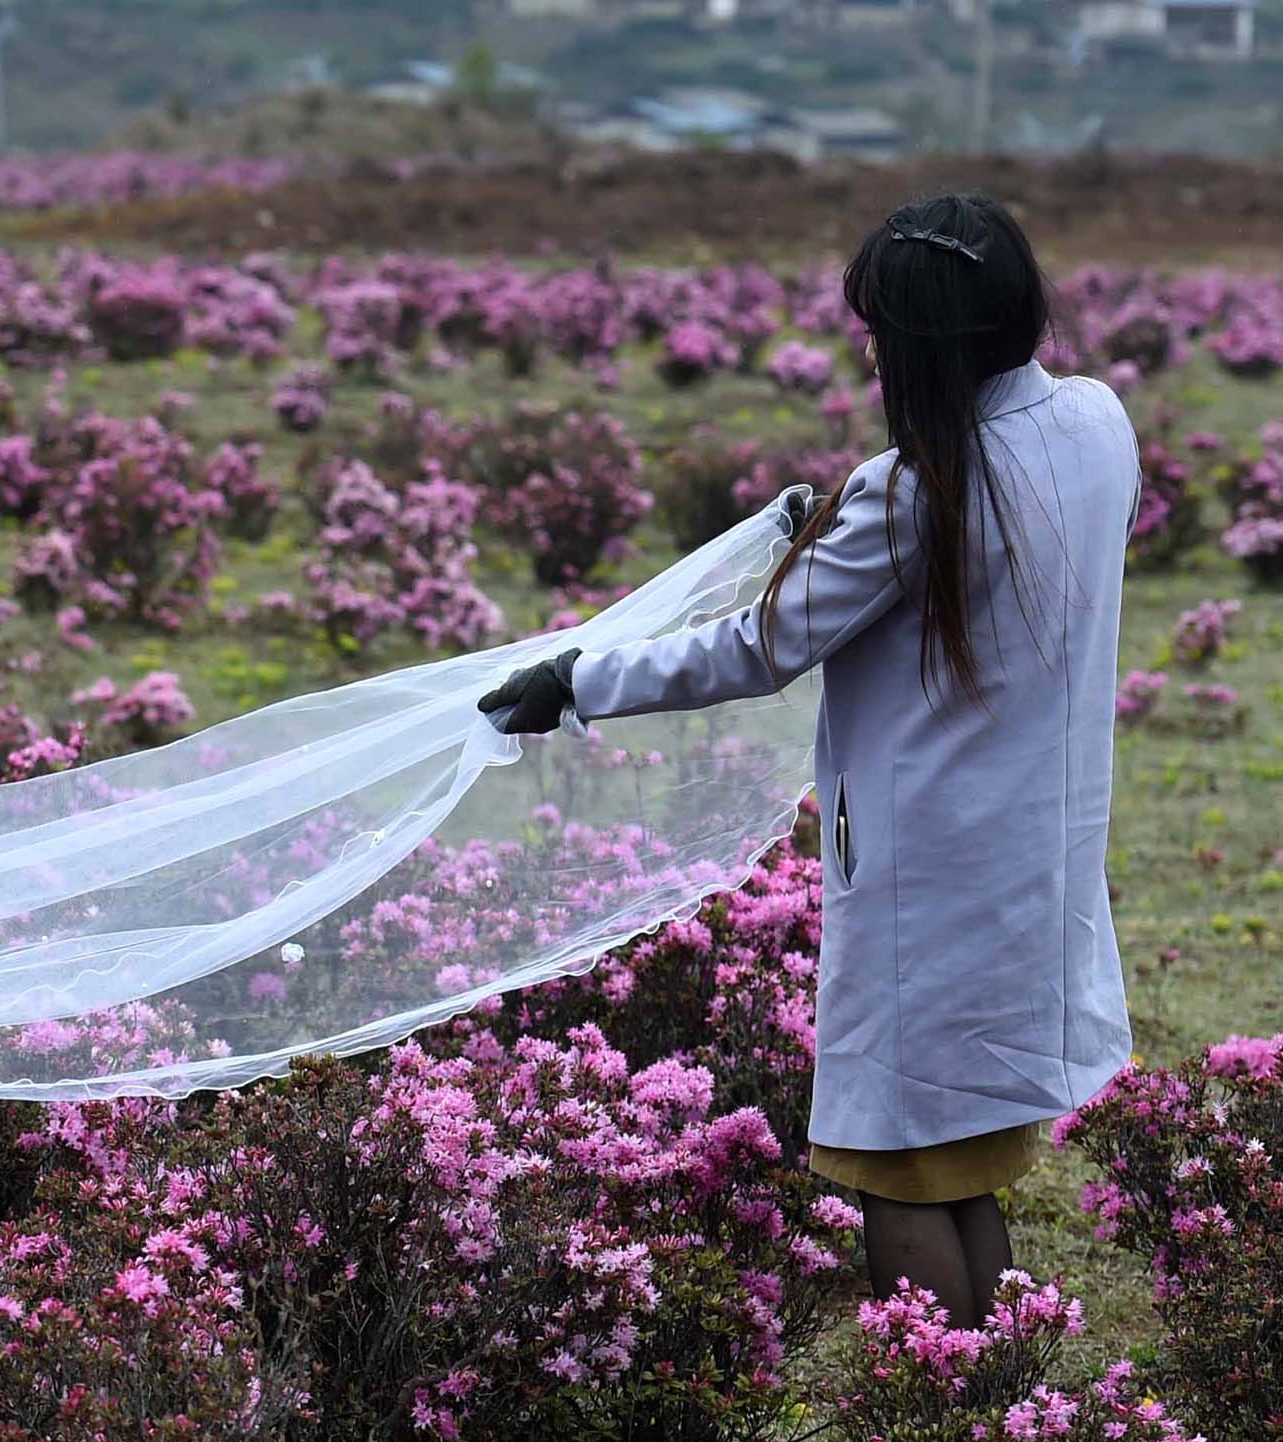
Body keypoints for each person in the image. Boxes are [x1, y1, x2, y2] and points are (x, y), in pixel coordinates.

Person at [478, 191, 1136, 1329]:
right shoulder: (1094, 424)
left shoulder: (920, 491)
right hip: (1036, 866)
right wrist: (829, 526)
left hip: (925, 882)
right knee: (962, 1155)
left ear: (926, 346)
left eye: (881, 332)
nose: (869, 351)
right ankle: (986, 1431)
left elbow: (757, 648)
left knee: (897, 1166)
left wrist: (577, 679)